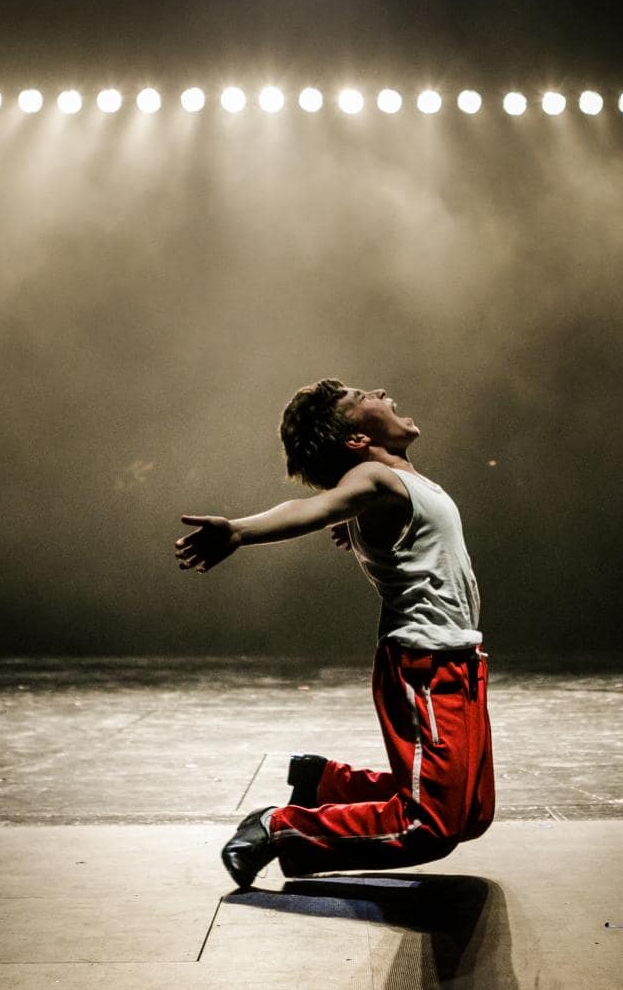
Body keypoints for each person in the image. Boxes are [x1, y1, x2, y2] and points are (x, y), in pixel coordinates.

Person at [174, 379, 494, 888]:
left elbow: (359, 511)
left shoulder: (394, 484)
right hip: (424, 663)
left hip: (459, 659)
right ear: (356, 439)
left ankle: (325, 783)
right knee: (430, 826)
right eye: (361, 397)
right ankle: (277, 829)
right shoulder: (373, 477)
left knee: (472, 812)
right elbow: (311, 508)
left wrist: (359, 521)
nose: (381, 390)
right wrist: (239, 530)